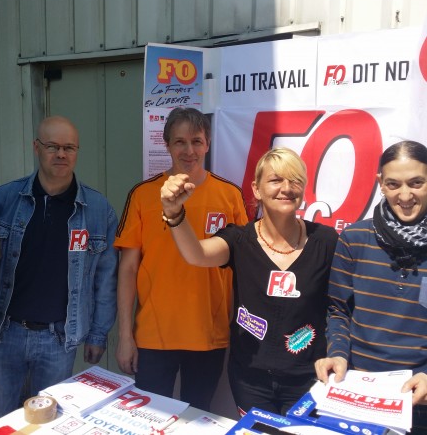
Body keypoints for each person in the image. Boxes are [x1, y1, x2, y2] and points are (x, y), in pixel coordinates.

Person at [160, 147, 338, 416]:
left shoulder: (325, 241)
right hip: (251, 380)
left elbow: (340, 308)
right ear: (256, 189)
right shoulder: (240, 240)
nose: (286, 188)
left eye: (295, 181)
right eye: (276, 180)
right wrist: (174, 213)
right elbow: (196, 254)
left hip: (308, 379)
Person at [0, 115, 119, 426]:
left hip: (58, 340)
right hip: (2, 335)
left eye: (69, 148)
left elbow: (105, 279)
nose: (61, 154)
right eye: (53, 146)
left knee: (49, 427)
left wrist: (98, 334)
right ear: (36, 147)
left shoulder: (98, 210)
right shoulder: (2, 200)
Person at [114, 107, 248, 412]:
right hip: (154, 335)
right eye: (180, 142)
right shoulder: (143, 194)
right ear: (167, 145)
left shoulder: (229, 195)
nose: (189, 150)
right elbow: (128, 269)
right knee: (148, 420)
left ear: (208, 144)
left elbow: (244, 266)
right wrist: (124, 336)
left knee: (196, 419)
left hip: (209, 335)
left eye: (196, 141)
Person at [315, 140, 427, 431]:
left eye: (416, 183)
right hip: (358, 393)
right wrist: (337, 354)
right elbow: (338, 311)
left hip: (421, 400)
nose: (405, 195)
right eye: (393, 184)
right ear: (380, 184)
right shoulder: (354, 239)